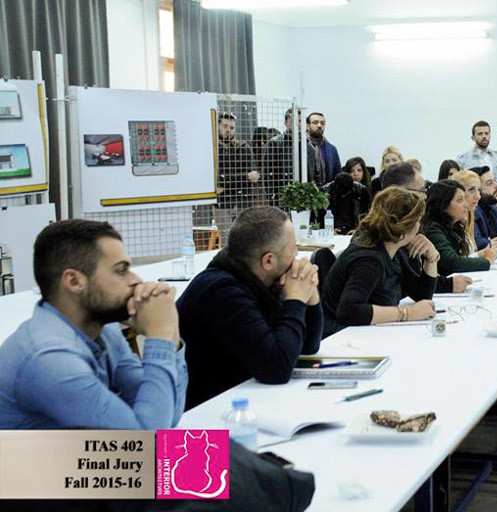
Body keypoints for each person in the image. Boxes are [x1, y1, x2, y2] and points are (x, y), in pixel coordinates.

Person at [0, 220, 187, 429]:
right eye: (121, 270)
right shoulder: (50, 359)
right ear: (74, 281)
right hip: (56, 453)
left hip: (92, 448)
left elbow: (166, 416)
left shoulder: (103, 330)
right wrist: (160, 335)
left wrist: (171, 332)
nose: (136, 280)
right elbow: (147, 440)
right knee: (209, 448)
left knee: (214, 445)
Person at [177, 206, 323, 409]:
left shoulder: (256, 280)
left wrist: (310, 293)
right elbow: (276, 369)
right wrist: (295, 300)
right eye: (293, 249)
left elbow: (308, 347)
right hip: (202, 418)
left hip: (240, 399)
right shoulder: (223, 292)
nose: (297, 256)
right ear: (268, 260)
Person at [320, 187, 440, 336]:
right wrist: (407, 313)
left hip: (367, 333)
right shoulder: (369, 260)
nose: (419, 227)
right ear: (405, 226)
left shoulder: (393, 250)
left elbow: (422, 297)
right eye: (418, 221)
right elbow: (348, 311)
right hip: (343, 338)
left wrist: (432, 258)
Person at [422, 179, 497, 277]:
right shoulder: (433, 229)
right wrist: (487, 261)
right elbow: (452, 262)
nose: (466, 205)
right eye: (460, 200)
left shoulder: (454, 226)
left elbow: (458, 257)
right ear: (443, 204)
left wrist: (478, 255)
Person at [216, 112, 256, 242]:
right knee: (226, 242)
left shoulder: (243, 148)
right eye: (225, 126)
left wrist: (225, 183)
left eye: (232, 128)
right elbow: (216, 179)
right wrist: (244, 177)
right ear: (217, 126)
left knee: (245, 240)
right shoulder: (212, 150)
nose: (228, 130)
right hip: (222, 204)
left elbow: (253, 177)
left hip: (242, 202)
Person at [263, 108, 302, 204]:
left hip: (304, 197)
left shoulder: (308, 144)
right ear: (286, 123)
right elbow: (268, 172)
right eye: (293, 121)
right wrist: (272, 197)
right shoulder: (275, 143)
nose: (298, 124)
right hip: (282, 197)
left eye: (300, 121)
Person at [306, 112, 341, 186]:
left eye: (322, 123)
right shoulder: (301, 147)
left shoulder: (332, 149)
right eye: (315, 122)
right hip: (305, 190)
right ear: (307, 126)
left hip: (327, 191)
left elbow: (338, 175)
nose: (319, 125)